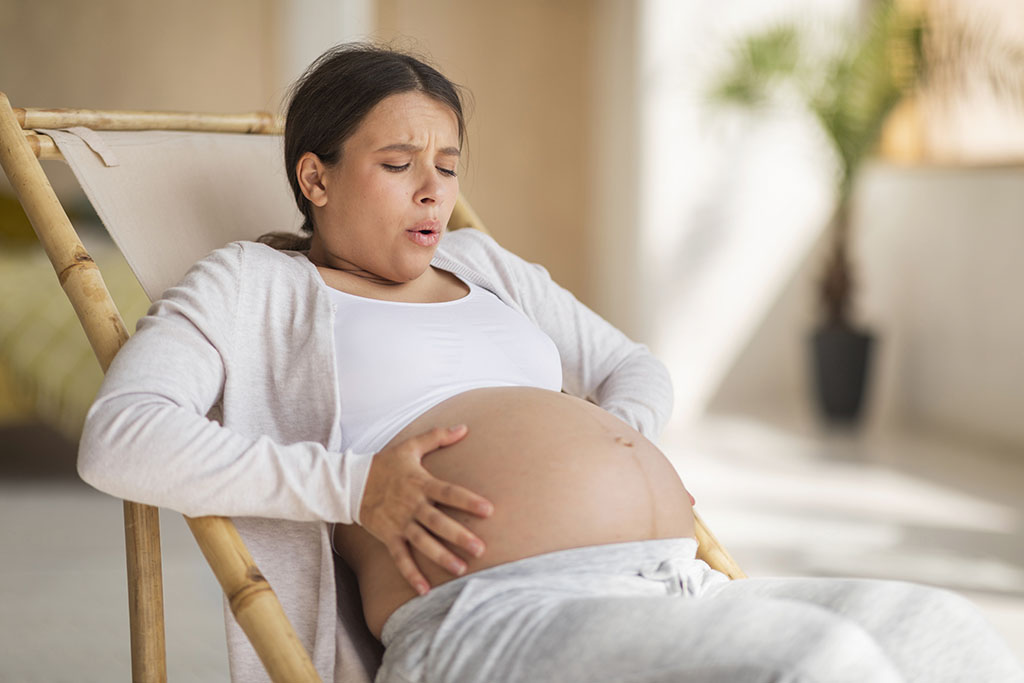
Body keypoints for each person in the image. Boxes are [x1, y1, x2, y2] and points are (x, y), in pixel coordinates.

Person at [78, 43, 1023, 683]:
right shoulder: (256, 283)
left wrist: (626, 445)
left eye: (448, 164)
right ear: (314, 177)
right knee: (817, 662)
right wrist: (356, 485)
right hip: (488, 620)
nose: (434, 190)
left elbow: (633, 368)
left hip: (664, 581)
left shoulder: (481, 265)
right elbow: (120, 439)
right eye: (399, 161)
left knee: (952, 638)